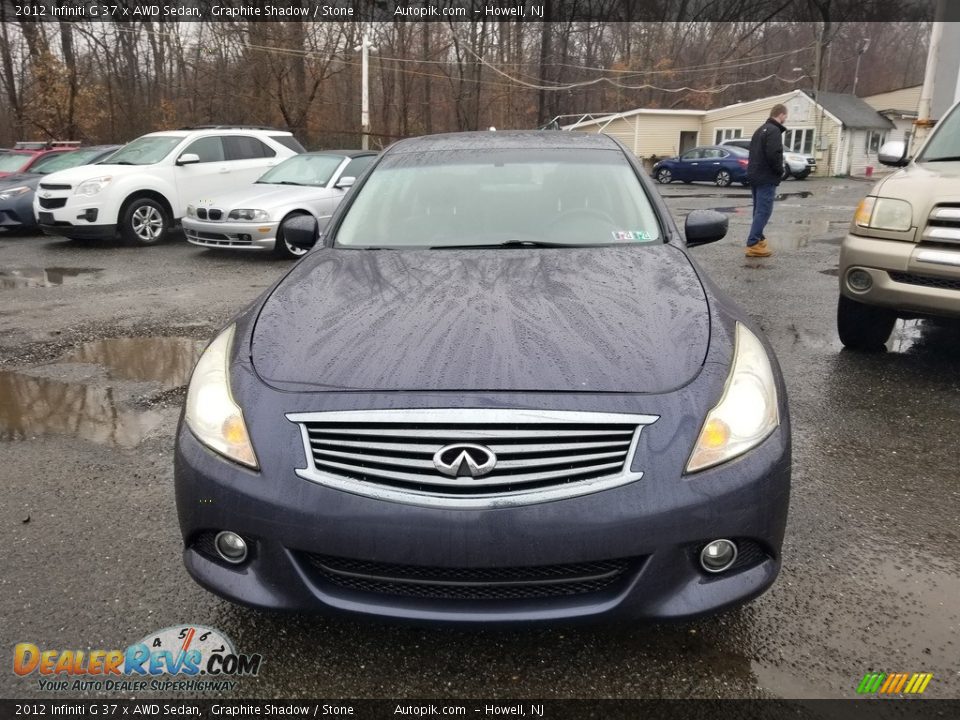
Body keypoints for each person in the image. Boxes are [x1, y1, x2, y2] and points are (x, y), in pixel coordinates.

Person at [745, 104, 788, 258]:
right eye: (785, 116)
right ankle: (753, 243)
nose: (785, 119)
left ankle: (759, 238)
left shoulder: (759, 130)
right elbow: (774, 154)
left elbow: (753, 153)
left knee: (758, 210)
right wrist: (780, 171)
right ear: (781, 115)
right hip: (766, 177)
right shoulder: (774, 131)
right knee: (764, 210)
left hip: (755, 175)